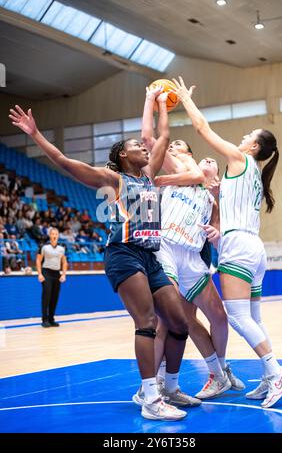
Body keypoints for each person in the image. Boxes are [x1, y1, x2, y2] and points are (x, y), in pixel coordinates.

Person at [9, 87, 189, 422]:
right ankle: (150, 398)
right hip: (123, 254)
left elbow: (163, 134)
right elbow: (63, 161)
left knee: (179, 323)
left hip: (150, 257)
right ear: (123, 155)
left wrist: (161, 103)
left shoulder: (150, 177)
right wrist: (34, 135)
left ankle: (169, 387)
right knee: (147, 322)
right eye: (136, 145)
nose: (144, 147)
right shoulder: (113, 178)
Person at [172, 76, 282, 408]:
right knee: (253, 318)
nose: (242, 138)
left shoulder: (240, 160)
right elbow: (228, 207)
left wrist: (186, 100)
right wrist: (216, 220)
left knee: (238, 317)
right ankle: (270, 378)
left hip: (240, 249)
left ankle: (276, 371)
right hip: (252, 247)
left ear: (254, 147)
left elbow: (203, 130)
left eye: (247, 137)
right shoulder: (249, 172)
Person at [140, 129, 244, 403]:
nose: (209, 160)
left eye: (213, 161)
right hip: (167, 249)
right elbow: (152, 140)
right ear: (189, 157)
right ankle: (153, 384)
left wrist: (217, 232)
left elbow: (219, 227)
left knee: (218, 317)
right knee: (167, 319)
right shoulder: (180, 169)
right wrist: (157, 102)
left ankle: (219, 372)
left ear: (217, 176)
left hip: (193, 257)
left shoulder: (212, 198)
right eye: (204, 158)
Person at [36, 228, 67, 327]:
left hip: (56, 273)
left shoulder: (62, 249)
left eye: (56, 234)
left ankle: (51, 318)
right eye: (52, 234)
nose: (54, 235)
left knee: (54, 297)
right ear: (50, 235)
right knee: (46, 296)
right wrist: (40, 274)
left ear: (58, 236)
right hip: (46, 273)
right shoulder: (44, 247)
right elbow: (38, 260)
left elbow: (64, 262)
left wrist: (63, 274)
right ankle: (44, 319)